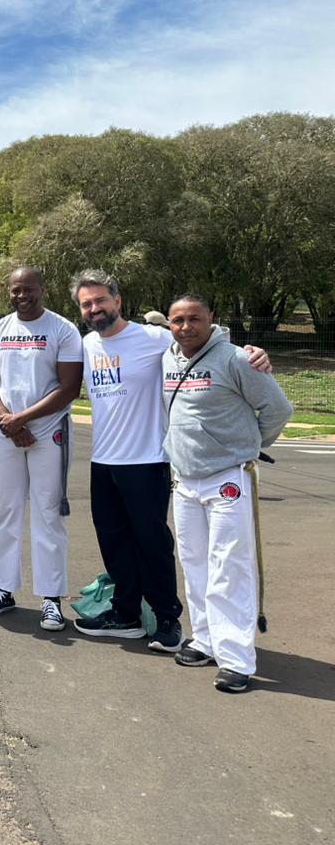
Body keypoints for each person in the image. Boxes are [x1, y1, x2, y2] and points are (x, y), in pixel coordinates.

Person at [70, 272, 274, 651]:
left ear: (117, 300)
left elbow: (201, 337)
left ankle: (168, 619)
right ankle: (126, 614)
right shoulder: (86, 344)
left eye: (100, 300)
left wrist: (254, 353)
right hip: (103, 461)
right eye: (87, 304)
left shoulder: (154, 338)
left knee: (152, 544)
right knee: (114, 542)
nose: (94, 308)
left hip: (147, 460)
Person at [162, 294, 292, 693]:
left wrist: (247, 446)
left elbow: (279, 409)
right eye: (178, 320)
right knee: (194, 563)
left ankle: (236, 659)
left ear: (211, 319)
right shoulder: (168, 358)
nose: (186, 327)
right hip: (185, 479)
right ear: (169, 323)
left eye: (194, 318)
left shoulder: (237, 359)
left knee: (229, 568)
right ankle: (205, 640)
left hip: (228, 478)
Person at [0, 266, 84, 632]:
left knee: (48, 515)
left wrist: (23, 419)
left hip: (48, 434)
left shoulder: (62, 329)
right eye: (15, 290)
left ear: (43, 289)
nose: (21, 295)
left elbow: (69, 387)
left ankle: (51, 599)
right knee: (6, 513)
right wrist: (8, 420)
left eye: (28, 289)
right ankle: (4, 589)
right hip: (7, 433)